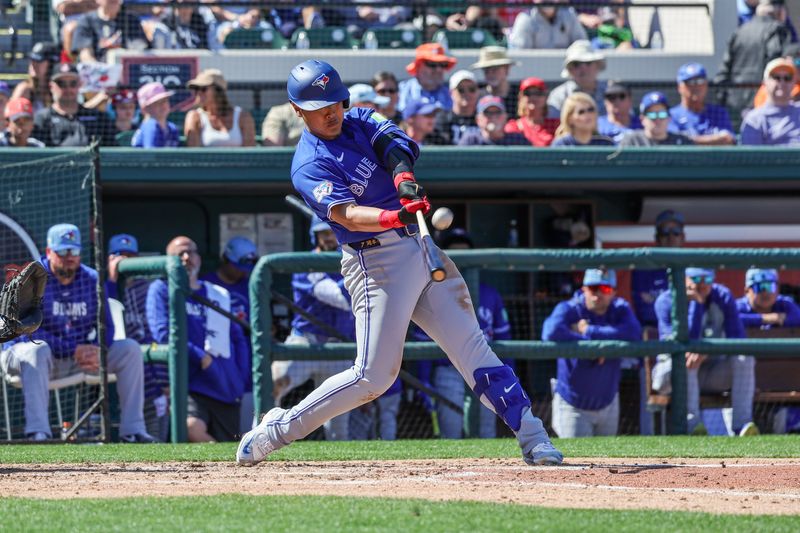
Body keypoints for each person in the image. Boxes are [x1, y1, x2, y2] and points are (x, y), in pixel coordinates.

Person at [236, 59, 563, 467]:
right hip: (375, 261)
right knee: (373, 377)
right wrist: (394, 215)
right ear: (298, 110)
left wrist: (403, 181)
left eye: (335, 102)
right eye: (319, 107)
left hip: (420, 247)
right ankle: (276, 430)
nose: (331, 112)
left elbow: (394, 145)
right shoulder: (308, 163)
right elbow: (347, 215)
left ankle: (533, 437)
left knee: (474, 349)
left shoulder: (359, 118)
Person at [0, 224, 156, 442]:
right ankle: (39, 435)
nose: (69, 257)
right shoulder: (31, 281)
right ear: (48, 252)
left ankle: (133, 431)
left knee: (129, 349)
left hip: (75, 359)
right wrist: (75, 350)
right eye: (63, 252)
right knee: (37, 351)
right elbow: (29, 332)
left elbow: (107, 325)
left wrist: (99, 350)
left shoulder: (91, 278)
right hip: (22, 358)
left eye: (74, 251)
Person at [411, 228, 514, 439]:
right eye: (454, 253)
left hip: (485, 369)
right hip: (448, 371)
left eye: (464, 253)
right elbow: (421, 342)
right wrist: (424, 381)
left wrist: (508, 375)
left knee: (485, 433)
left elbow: (505, 340)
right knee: (451, 432)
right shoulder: (429, 293)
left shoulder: (489, 294)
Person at [147, 236, 250, 442]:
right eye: (179, 254)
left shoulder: (217, 293)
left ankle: (226, 472)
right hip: (191, 381)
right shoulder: (161, 289)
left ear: (199, 258)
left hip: (225, 382)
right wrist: (201, 357)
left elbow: (237, 337)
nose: (186, 258)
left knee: (231, 441)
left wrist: (240, 374)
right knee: (191, 428)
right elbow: (163, 334)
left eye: (191, 252)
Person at [272, 218, 354, 441]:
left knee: (339, 419)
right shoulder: (306, 264)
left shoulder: (349, 259)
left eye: (332, 231)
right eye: (323, 232)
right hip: (305, 343)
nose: (328, 236)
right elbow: (341, 298)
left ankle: (340, 466)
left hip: (338, 347)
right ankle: (257, 434)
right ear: (315, 236)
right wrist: (356, 272)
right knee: (273, 386)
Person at [652, 267, 758, 436]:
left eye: (707, 280)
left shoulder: (722, 296)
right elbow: (679, 346)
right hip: (670, 375)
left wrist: (706, 350)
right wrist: (697, 303)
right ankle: (692, 426)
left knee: (744, 358)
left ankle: (742, 426)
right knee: (687, 360)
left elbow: (737, 338)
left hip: (710, 372)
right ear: (684, 279)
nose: (702, 285)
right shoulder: (665, 301)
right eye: (696, 279)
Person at [542, 269, 642, 438]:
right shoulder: (570, 308)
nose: (598, 294)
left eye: (605, 289)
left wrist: (589, 331)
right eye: (593, 288)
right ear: (583, 289)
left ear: (614, 292)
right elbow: (549, 332)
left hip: (608, 401)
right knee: (576, 460)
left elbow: (634, 332)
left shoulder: (620, 309)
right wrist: (592, 347)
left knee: (608, 461)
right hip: (573, 404)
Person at [105, 233, 169, 441]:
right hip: (120, 359)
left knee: (158, 419)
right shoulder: (104, 287)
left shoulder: (150, 289)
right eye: (120, 256)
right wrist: (113, 280)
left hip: (153, 370)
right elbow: (108, 315)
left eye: (131, 257)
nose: (126, 262)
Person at [200, 236, 257, 433]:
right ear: (226, 259)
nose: (242, 271)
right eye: (238, 266)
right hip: (214, 350)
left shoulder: (250, 284)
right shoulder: (206, 283)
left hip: (244, 352)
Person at [714, 0, 792, 111]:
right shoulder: (778, 30)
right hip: (762, 103)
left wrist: (723, 99)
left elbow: (723, 72)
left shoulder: (739, 32)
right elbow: (775, 64)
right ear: (779, 12)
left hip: (734, 102)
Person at [32, 63, 117, 147]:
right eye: (61, 84)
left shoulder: (97, 117)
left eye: (73, 83)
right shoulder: (42, 118)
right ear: (51, 87)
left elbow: (112, 151)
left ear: (79, 84)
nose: (68, 89)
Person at [630, 210, 685, 335]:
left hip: (686, 331)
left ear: (683, 237)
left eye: (676, 232)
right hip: (654, 332)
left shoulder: (691, 268)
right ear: (657, 238)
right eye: (665, 232)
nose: (671, 237)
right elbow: (645, 311)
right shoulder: (643, 269)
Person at [184, 69, 256, 147]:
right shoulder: (194, 117)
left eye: (203, 89)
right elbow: (194, 155)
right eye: (196, 89)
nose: (199, 93)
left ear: (218, 91)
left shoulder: (243, 117)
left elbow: (249, 154)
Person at [669, 63, 735, 146]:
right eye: (690, 82)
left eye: (700, 81)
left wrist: (690, 140)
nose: (696, 86)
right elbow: (676, 142)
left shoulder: (718, 112)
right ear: (680, 87)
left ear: (706, 85)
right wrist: (716, 139)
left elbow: (728, 140)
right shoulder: (671, 115)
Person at [740, 58, 800, 145]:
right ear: (765, 82)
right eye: (776, 77)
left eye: (787, 78)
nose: (782, 82)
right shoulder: (754, 119)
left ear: (794, 83)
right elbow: (752, 157)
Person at [72, 0, 150, 63]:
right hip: (98, 72)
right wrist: (102, 72)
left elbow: (139, 49)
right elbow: (85, 55)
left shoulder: (131, 19)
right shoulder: (86, 20)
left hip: (126, 71)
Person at [547, 40, 608, 119]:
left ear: (597, 66)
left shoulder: (612, 92)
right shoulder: (558, 96)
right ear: (570, 70)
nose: (583, 68)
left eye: (588, 63)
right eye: (576, 64)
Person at [397, 43, 456, 114]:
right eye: (432, 64)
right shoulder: (400, 91)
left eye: (442, 65)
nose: (439, 70)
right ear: (418, 66)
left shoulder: (452, 94)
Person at [619, 92, 694, 147]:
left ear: (669, 118)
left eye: (662, 114)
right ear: (642, 119)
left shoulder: (682, 141)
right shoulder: (632, 141)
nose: (658, 119)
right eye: (652, 115)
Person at [504, 77, 559, 147]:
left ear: (546, 97)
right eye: (528, 93)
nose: (533, 97)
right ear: (520, 97)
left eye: (538, 93)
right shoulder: (514, 127)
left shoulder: (556, 125)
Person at [429, 70, 480, 146]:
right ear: (451, 93)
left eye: (471, 89)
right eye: (461, 90)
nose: (467, 93)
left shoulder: (484, 117)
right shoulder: (442, 119)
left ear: (477, 92)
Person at [508, 1, 587, 50]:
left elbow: (582, 45)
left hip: (568, 70)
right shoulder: (525, 18)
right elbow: (521, 54)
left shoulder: (569, 14)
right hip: (535, 70)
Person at [458, 95, 528, 146]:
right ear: (478, 119)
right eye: (487, 113)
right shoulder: (471, 141)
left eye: (498, 112)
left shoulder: (517, 140)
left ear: (505, 117)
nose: (493, 117)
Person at [470, 46, 520, 117]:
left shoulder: (519, 95)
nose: (490, 74)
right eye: (486, 70)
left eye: (495, 69)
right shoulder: (477, 96)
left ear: (507, 69)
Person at [11, 42, 60, 113]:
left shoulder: (59, 90)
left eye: (39, 60)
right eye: (32, 59)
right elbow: (12, 118)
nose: (33, 64)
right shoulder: (25, 90)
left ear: (51, 64)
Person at [131, 81, 180, 148]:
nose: (163, 105)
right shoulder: (150, 126)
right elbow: (150, 157)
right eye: (156, 103)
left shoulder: (172, 128)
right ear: (145, 108)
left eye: (164, 100)